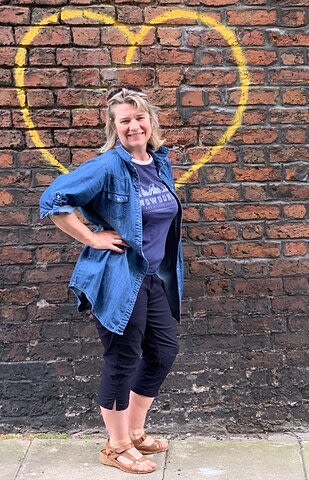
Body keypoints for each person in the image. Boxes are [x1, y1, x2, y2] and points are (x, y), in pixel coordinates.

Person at [39, 87, 183, 474]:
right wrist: (91, 237)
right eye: (125, 120)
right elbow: (53, 199)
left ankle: (134, 432)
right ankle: (115, 446)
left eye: (139, 118)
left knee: (163, 352)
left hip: (153, 278)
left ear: (150, 121)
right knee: (121, 358)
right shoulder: (107, 167)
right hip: (120, 277)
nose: (134, 126)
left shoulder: (159, 162)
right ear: (114, 127)